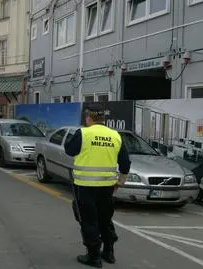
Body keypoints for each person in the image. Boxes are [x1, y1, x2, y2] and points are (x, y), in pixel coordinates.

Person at [64, 104, 131, 268]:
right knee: (105, 219)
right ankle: (109, 252)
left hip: (85, 186)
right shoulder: (115, 136)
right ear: (103, 119)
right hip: (107, 186)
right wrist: (120, 181)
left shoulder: (84, 133)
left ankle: (93, 256)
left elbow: (69, 151)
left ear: (89, 118)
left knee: (88, 220)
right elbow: (125, 163)